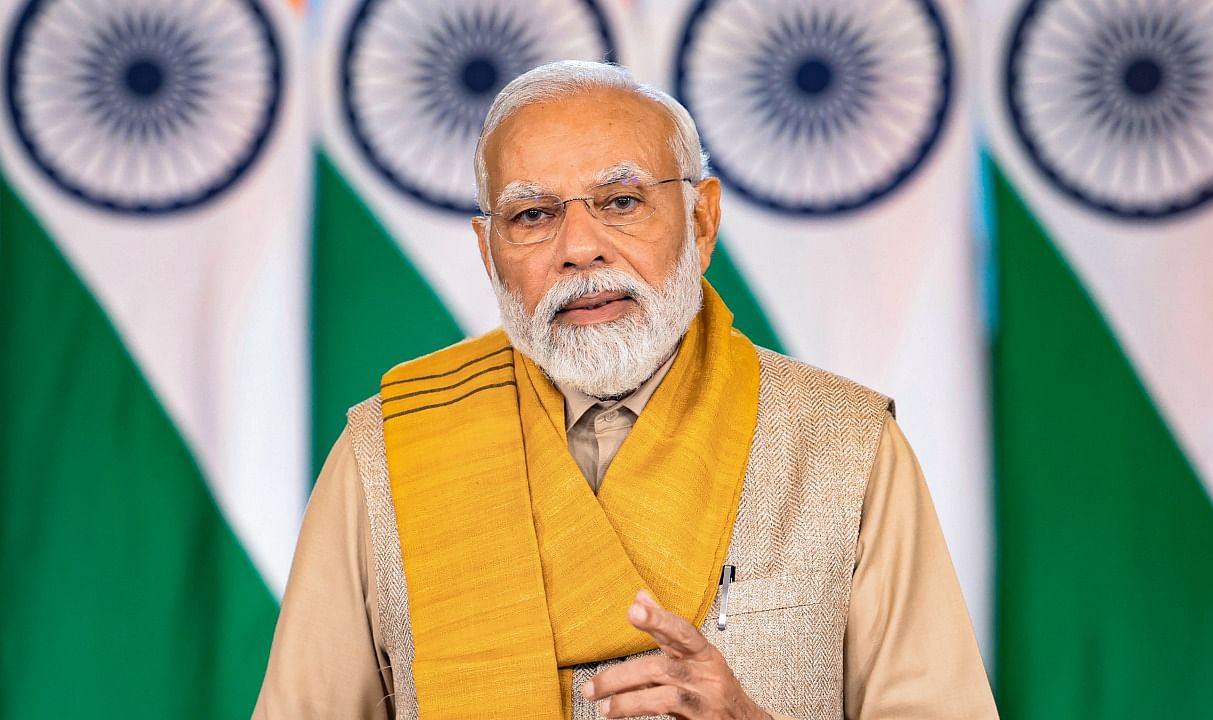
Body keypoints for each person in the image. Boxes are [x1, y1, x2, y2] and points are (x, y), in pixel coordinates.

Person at [254, 60, 997, 720]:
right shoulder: (388, 452)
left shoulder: (846, 445)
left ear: (701, 220)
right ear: (487, 252)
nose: (579, 249)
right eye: (533, 215)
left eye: (620, 202)